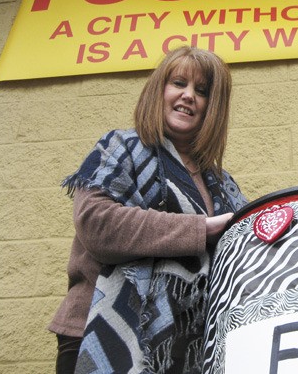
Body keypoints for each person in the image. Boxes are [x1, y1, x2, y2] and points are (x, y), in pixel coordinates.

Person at [48, 47, 248, 373]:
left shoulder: (222, 184)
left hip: (188, 349)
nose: (188, 96)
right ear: (159, 90)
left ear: (214, 107)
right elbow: (98, 225)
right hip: (100, 333)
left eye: (202, 90)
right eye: (179, 83)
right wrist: (201, 229)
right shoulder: (119, 147)